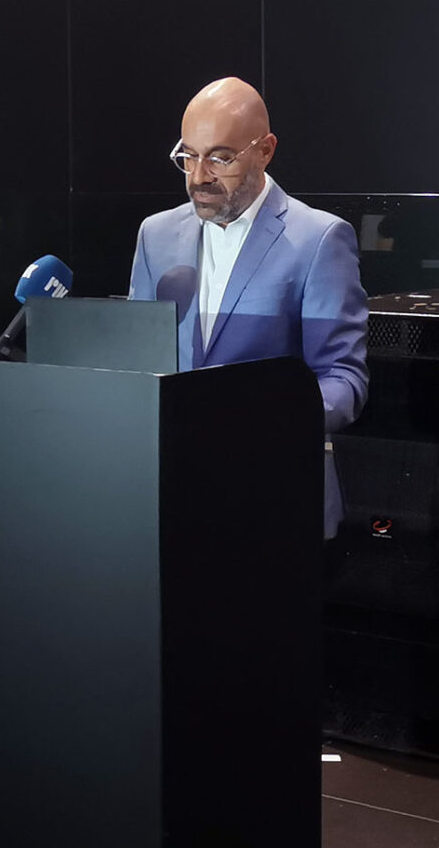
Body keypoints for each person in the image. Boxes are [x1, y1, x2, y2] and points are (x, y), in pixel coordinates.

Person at [128, 77, 369, 536]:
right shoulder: (154, 236)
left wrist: (260, 421)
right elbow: (135, 360)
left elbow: (344, 380)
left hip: (276, 499)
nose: (199, 176)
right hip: (169, 496)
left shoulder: (319, 240)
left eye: (220, 158)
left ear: (265, 150)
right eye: (188, 156)